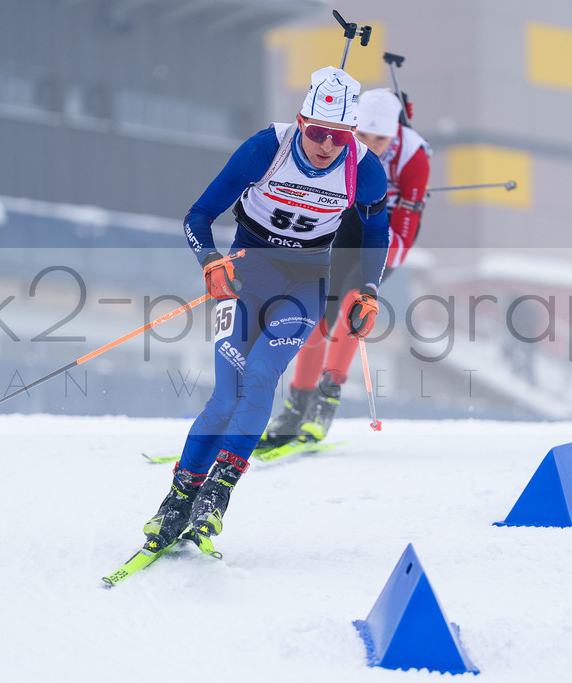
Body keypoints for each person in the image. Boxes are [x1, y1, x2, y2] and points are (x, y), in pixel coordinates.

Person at [140, 66, 391, 555]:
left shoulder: (365, 168)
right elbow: (198, 215)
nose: (325, 145)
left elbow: (377, 233)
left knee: (260, 378)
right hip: (243, 281)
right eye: (316, 132)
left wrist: (368, 291)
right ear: (301, 121)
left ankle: (216, 495)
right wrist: (209, 262)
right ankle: (177, 501)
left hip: (304, 288)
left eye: (338, 136)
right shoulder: (265, 149)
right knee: (227, 393)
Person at [259, 88, 431, 449]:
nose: (370, 144)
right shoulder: (340, 137)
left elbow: (404, 231)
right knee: (318, 307)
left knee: (355, 301)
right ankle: (296, 405)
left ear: (395, 134)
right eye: (362, 136)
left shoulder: (414, 157)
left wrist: (374, 268)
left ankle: (327, 398)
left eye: (379, 139)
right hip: (345, 224)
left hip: (384, 232)